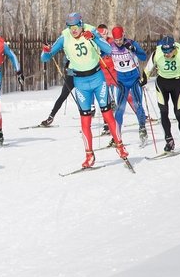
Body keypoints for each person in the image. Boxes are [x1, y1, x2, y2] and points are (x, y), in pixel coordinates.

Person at [41, 12, 128, 168]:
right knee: (85, 121)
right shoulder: (64, 37)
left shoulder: (92, 31)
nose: (73, 30)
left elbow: (109, 49)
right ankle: (89, 155)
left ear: (81, 24)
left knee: (107, 114)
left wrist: (94, 38)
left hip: (97, 79)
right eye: (70, 27)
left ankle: (120, 146)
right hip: (80, 83)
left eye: (75, 26)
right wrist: (46, 51)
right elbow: (46, 58)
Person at [141, 35, 180, 154]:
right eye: (164, 51)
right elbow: (147, 69)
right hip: (162, 84)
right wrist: (144, 78)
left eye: (169, 52)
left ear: (174, 48)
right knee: (164, 112)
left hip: (176, 84)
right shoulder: (157, 52)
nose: (167, 54)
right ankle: (169, 140)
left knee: (179, 114)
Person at [108, 25, 148, 142]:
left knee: (138, 105)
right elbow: (101, 56)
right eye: (116, 40)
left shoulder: (132, 43)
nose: (119, 42)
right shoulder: (111, 47)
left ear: (123, 35)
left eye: (120, 39)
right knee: (120, 109)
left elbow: (144, 57)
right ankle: (116, 136)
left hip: (134, 79)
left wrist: (133, 50)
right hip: (121, 81)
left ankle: (142, 128)